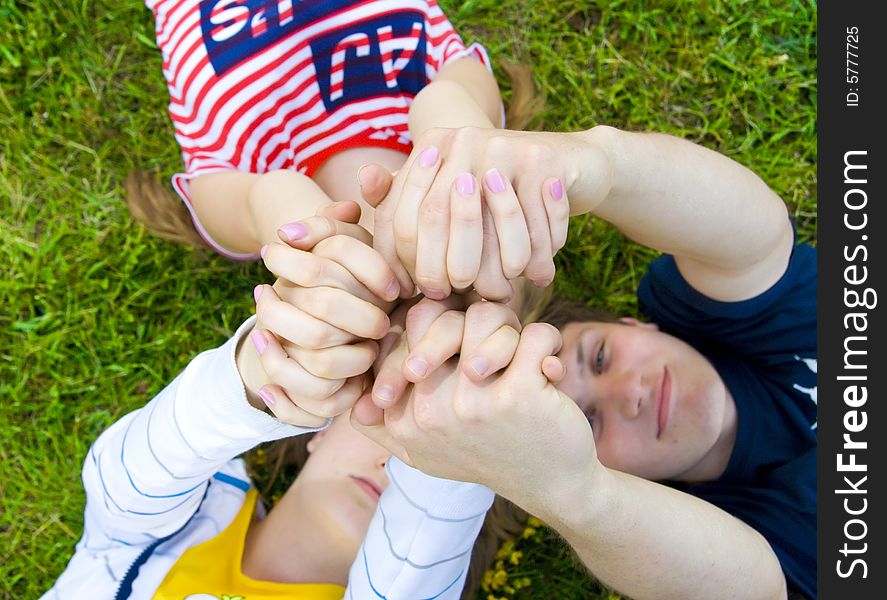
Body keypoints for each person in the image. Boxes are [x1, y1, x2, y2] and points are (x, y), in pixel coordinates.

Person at [343, 123, 816, 600]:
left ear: (635, 324)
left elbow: (757, 241)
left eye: (602, 357)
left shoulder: (711, 312)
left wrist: (589, 162)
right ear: (613, 473)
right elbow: (760, 590)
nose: (629, 393)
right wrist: (572, 491)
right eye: (589, 423)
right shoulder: (729, 537)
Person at [41, 209, 537, 600]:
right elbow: (129, 478)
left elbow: (418, 564)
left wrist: (453, 451)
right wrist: (265, 371)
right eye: (388, 405)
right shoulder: (162, 535)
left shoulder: (423, 550)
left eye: (418, 454)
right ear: (321, 431)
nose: (391, 460)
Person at [128, 0, 566, 297]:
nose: (428, 273)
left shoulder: (247, 177)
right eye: (477, 249)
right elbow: (455, 114)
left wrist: (322, 254)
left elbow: (264, 199)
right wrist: (462, 175)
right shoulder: (452, 112)